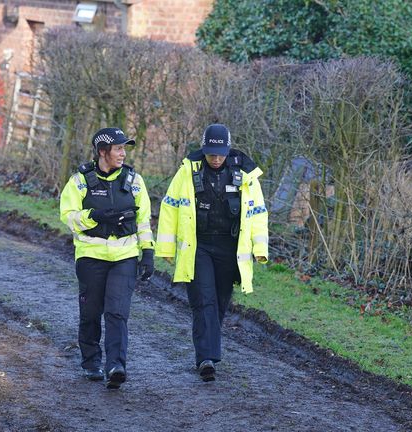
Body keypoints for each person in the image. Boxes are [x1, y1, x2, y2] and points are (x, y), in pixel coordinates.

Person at [155, 123, 268, 382]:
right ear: (204, 150)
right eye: (211, 154)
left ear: (228, 150)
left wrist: (260, 249)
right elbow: (170, 207)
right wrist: (165, 247)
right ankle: (207, 358)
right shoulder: (187, 171)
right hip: (199, 247)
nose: (216, 159)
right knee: (203, 299)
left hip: (230, 249)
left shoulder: (245, 173)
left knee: (219, 301)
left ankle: (209, 351)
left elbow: (258, 212)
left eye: (220, 154)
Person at [59, 127, 154, 389]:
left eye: (125, 148)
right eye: (118, 148)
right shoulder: (80, 180)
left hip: (125, 256)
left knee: (117, 311)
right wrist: (94, 216)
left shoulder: (134, 181)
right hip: (91, 256)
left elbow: (144, 220)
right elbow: (67, 215)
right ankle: (91, 363)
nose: (123, 153)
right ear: (103, 151)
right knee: (91, 313)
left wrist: (148, 252)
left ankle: (116, 365)